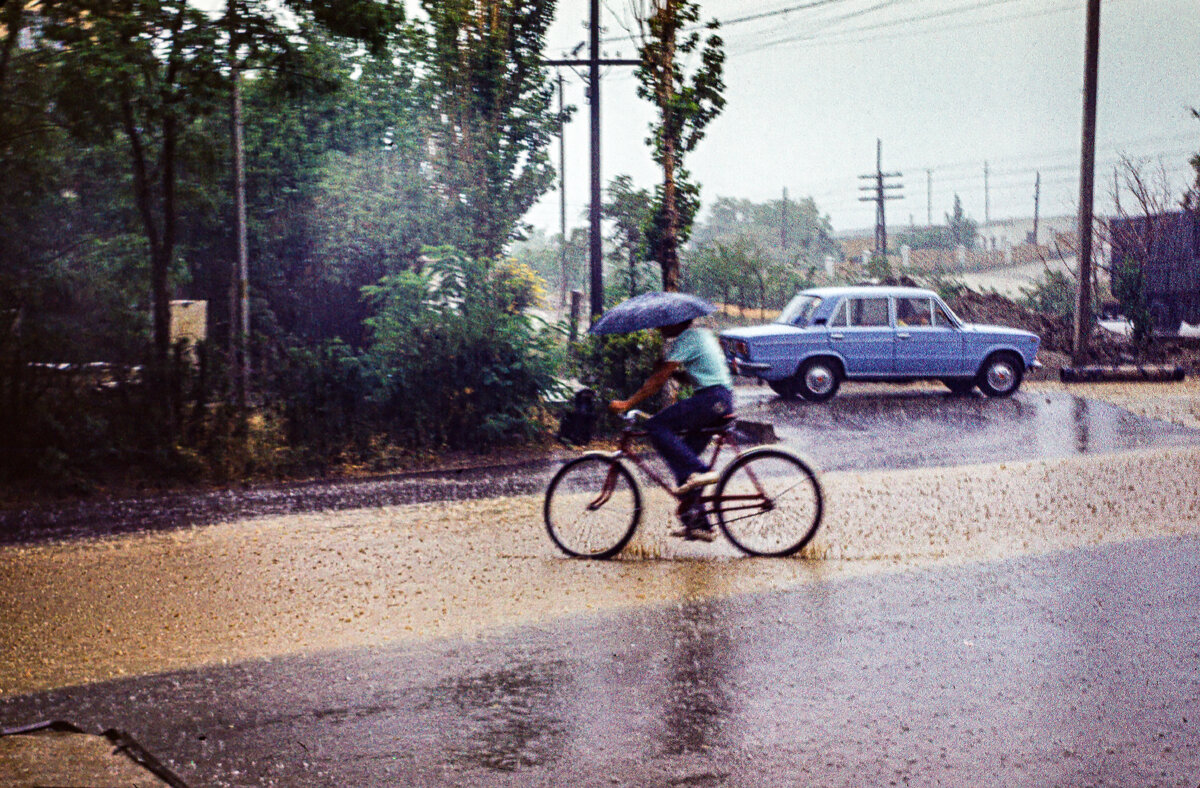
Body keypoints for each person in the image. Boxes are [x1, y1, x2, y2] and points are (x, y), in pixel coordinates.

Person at [609, 318, 734, 541]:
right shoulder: (701, 335)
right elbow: (694, 376)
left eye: (663, 324)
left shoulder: (686, 338)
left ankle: (701, 472)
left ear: (676, 321)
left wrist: (628, 403)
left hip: (711, 399)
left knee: (656, 425)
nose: (659, 326)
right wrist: (672, 372)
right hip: (719, 399)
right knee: (682, 460)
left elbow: (656, 382)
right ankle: (697, 523)